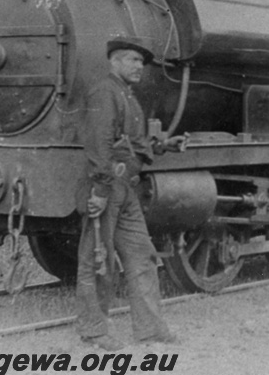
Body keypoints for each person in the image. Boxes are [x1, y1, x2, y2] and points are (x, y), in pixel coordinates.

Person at [76, 36, 187, 350]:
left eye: (141, 61)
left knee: (142, 255)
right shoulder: (104, 92)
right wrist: (99, 189)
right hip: (108, 185)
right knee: (97, 257)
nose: (140, 67)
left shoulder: (126, 94)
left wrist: (163, 145)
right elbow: (98, 146)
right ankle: (94, 331)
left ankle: (150, 329)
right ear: (115, 61)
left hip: (126, 189)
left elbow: (133, 142)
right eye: (133, 60)